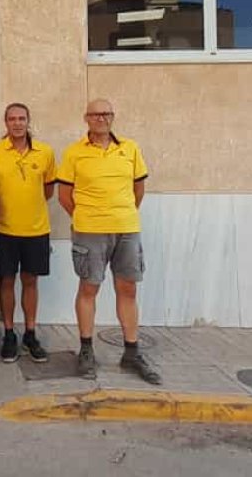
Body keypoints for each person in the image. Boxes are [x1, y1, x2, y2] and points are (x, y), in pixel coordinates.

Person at [58, 99, 160, 385]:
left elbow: (138, 189)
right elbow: (64, 195)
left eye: (106, 114)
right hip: (90, 231)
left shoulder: (130, 148)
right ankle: (86, 350)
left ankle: (132, 352)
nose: (101, 118)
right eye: (95, 114)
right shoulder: (74, 152)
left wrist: (122, 214)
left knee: (128, 289)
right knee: (89, 288)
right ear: (86, 118)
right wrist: (86, 217)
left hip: (126, 229)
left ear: (113, 117)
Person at [0, 103, 56, 364]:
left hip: (36, 230)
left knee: (30, 281)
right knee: (6, 280)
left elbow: (48, 191)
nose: (17, 123)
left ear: (28, 121)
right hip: (4, 230)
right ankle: (9, 333)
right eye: (12, 119)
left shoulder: (45, 152)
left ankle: (31, 333)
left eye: (21, 118)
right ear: (5, 122)